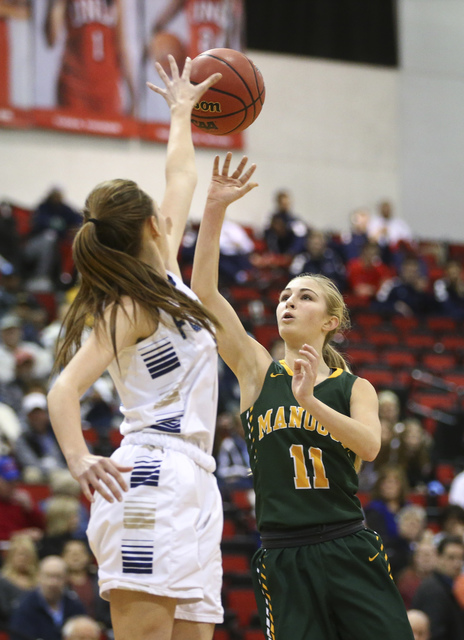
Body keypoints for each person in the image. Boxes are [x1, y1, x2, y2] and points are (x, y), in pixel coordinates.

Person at [190, 152, 414, 639]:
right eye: (285, 295)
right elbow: (204, 292)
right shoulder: (256, 372)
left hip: (347, 543)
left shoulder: (356, 387)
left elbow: (370, 446)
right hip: (282, 552)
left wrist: (309, 401)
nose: (288, 301)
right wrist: (214, 209)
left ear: (331, 321)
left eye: (304, 296)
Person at [47, 57, 225, 640]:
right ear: (151, 222)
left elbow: (182, 176)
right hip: (151, 471)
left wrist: (181, 112)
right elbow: (65, 388)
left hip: (196, 476)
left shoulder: (165, 271)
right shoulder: (130, 304)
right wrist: (79, 460)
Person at [44, 0, 136, 117]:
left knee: (107, 133)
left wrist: (133, 94)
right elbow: (51, 39)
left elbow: (122, 45)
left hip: (108, 90)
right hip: (73, 87)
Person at [9, 555, 86, 640]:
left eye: (58, 576)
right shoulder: (24, 606)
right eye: (48, 576)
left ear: (66, 579)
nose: (53, 582)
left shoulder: (74, 604)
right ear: (39, 577)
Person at [411, 535, 464, 640]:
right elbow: (434, 633)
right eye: (451, 557)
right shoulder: (433, 590)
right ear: (438, 557)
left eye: (460, 558)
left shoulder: (448, 586)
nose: (457, 563)